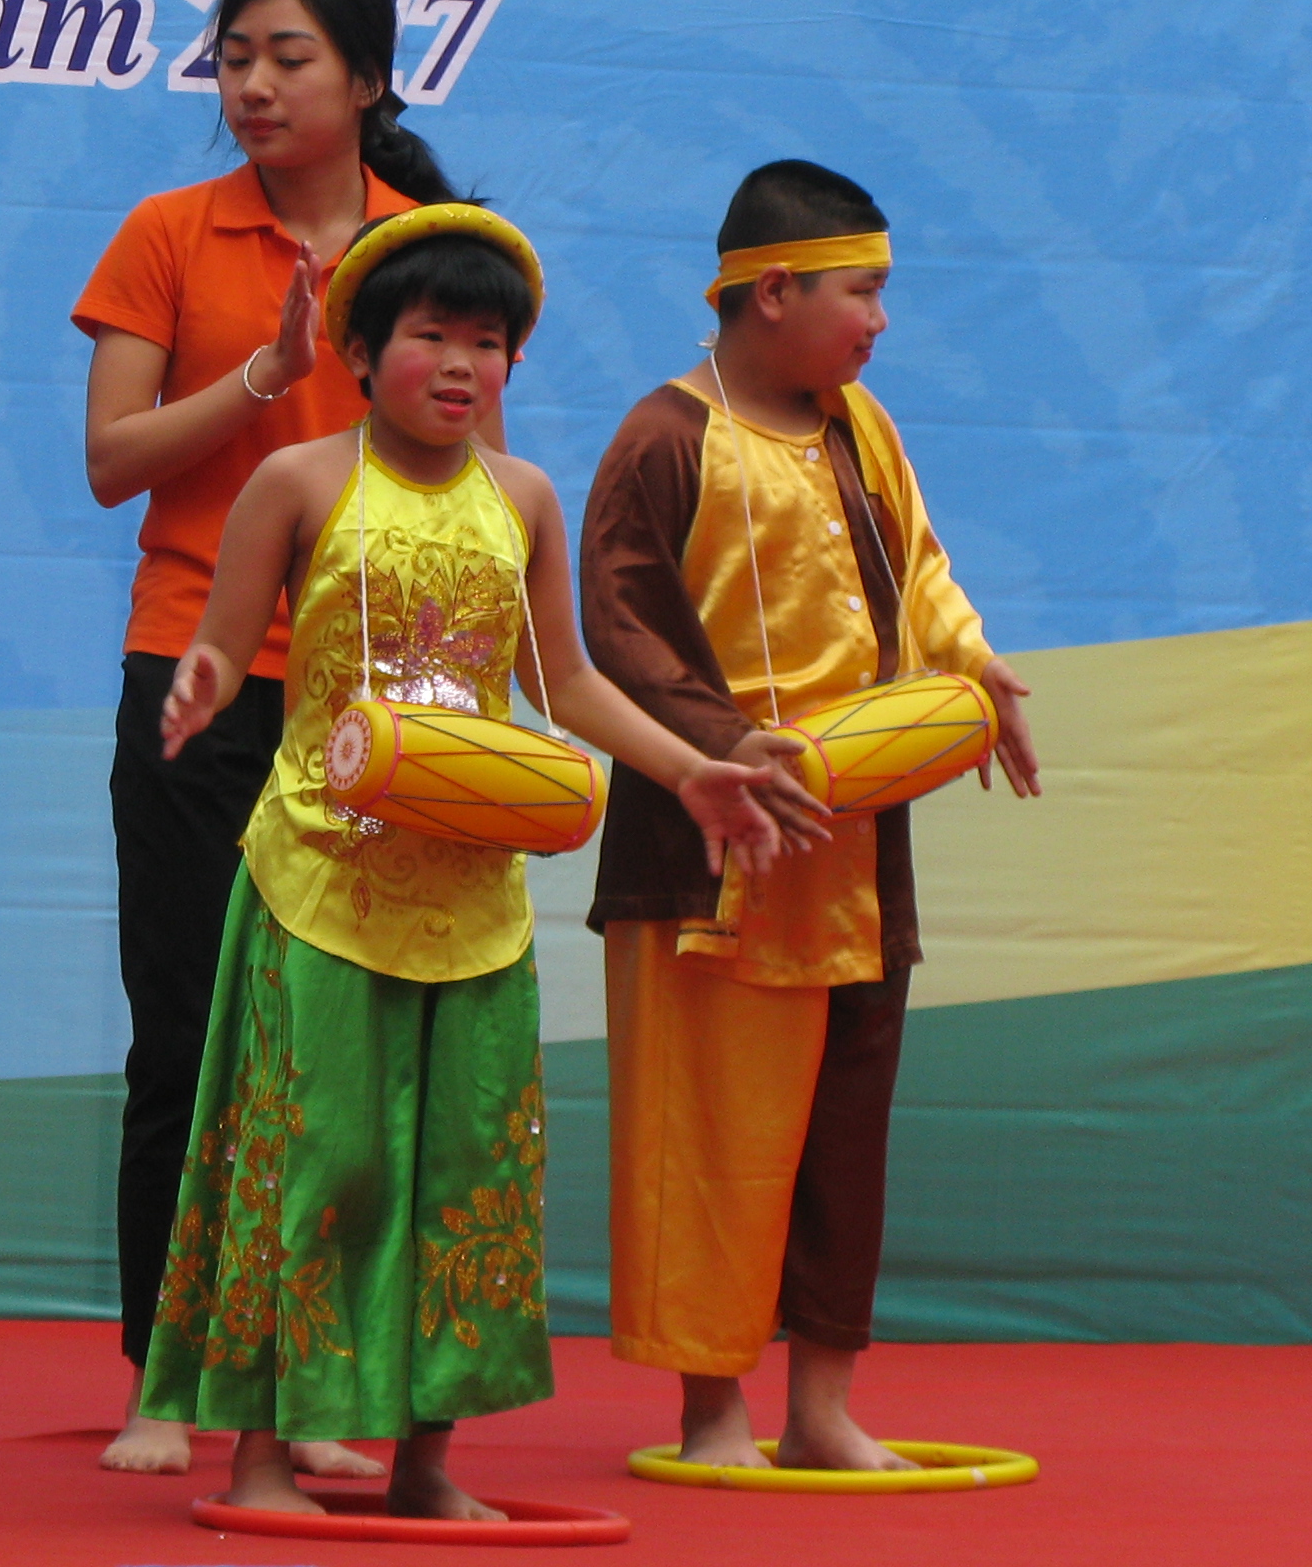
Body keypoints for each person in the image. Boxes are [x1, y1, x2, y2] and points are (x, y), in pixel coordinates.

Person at [137, 206, 811, 1523]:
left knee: (465, 1180)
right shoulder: (299, 482)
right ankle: (264, 1455)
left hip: (473, 896)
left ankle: (427, 1465)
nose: (460, 364)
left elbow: (567, 683)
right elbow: (223, 640)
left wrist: (690, 770)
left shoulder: (526, 499)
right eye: (432, 335)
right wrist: (202, 681)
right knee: (319, 1161)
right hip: (320, 883)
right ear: (361, 351)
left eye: (488, 343)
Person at [575, 161, 1040, 1473]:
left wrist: (976, 663)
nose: (881, 320)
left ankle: (823, 1407)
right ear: (772, 291)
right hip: (705, 846)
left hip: (853, 847)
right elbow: (619, 633)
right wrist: (730, 750)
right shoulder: (665, 438)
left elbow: (922, 571)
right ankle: (712, 1413)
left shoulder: (860, 426)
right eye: (862, 291)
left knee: (842, 1135)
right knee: (712, 1138)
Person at [73, 0, 452, 1477]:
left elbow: (468, 476)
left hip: (376, 698)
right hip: (195, 676)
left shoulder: (431, 247)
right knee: (185, 1031)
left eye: (290, 58)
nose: (255, 85)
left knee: (349, 1048)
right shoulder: (171, 231)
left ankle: (320, 1382)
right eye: (235, 57)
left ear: (367, 80)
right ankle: (167, 1378)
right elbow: (112, 461)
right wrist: (264, 374)